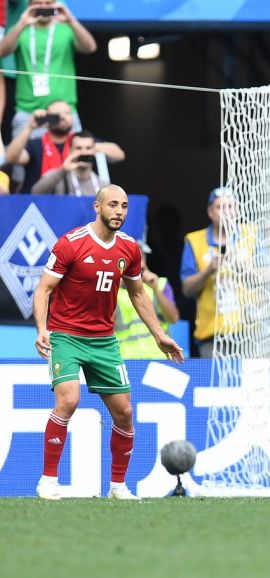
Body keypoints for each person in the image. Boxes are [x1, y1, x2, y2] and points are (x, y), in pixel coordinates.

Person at [33, 185, 185, 500]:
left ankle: (118, 486)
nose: (119, 211)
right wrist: (42, 328)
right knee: (68, 401)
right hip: (67, 336)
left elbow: (138, 293)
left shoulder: (129, 248)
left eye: (124, 206)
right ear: (97, 207)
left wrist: (160, 334)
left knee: (125, 413)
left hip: (104, 341)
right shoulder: (71, 244)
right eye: (113, 205)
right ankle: (48, 480)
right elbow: (44, 289)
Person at [0, 0, 96, 134]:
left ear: (55, 4)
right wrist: (21, 23)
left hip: (65, 112)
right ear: (29, 5)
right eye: (38, 4)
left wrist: (70, 19)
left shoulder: (66, 29)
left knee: (68, 156)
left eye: (48, 3)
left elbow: (90, 47)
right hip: (29, 113)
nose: (43, 7)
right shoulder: (21, 29)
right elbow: (2, 52)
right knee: (24, 157)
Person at [181, 187, 260, 360]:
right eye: (219, 207)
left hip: (249, 333)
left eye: (230, 206)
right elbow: (186, 288)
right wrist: (207, 271)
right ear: (210, 212)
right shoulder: (194, 240)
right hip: (212, 335)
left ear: (238, 209)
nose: (226, 212)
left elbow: (269, 275)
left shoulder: (252, 234)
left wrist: (246, 270)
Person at [5, 100, 123, 194]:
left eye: (67, 113)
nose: (62, 117)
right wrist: (29, 127)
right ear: (47, 117)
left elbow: (119, 155)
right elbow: (11, 158)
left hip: (71, 204)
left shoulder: (79, 140)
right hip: (39, 204)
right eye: (57, 114)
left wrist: (86, 148)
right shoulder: (36, 144)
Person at [113, 246, 180, 360]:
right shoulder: (112, 288)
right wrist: (115, 283)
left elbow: (173, 318)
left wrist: (155, 288)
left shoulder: (160, 283)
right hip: (125, 359)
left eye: (140, 258)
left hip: (159, 358)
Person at [31, 129, 104, 196]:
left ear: (94, 151)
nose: (83, 152)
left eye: (88, 148)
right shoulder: (59, 177)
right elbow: (35, 192)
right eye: (78, 148)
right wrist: (63, 170)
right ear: (69, 151)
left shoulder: (103, 186)